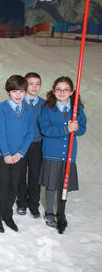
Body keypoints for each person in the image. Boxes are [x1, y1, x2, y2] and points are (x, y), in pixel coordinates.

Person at [38, 76, 86, 230]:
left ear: (71, 92)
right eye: (58, 89)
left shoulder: (77, 108)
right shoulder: (48, 108)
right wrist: (66, 129)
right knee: (52, 184)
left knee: (63, 185)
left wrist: (77, 128)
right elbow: (45, 129)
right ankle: (50, 212)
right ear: (54, 91)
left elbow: (83, 128)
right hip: (52, 152)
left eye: (66, 89)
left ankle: (61, 212)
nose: (62, 92)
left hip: (69, 153)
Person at [0, 75, 33, 233]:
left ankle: (7, 214)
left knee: (14, 186)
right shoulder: (2, 108)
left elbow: (29, 133)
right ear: (9, 92)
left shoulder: (27, 110)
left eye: (21, 91)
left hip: (18, 155)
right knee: (2, 186)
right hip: (3, 154)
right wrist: (7, 154)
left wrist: (20, 153)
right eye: (14, 91)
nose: (18, 95)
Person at [16, 72, 45, 218]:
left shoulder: (45, 104)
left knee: (35, 175)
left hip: (37, 144)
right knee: (20, 174)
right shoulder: (18, 102)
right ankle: (21, 202)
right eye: (30, 83)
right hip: (20, 145)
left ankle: (34, 204)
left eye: (37, 83)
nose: (34, 87)